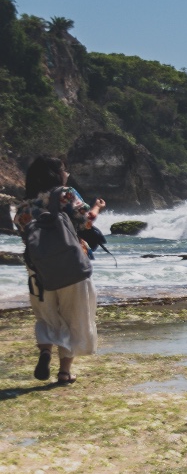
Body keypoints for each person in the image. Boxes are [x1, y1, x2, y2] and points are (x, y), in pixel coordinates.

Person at [14, 154, 104, 384]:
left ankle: (45, 351)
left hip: (39, 268)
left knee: (46, 315)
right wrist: (97, 207)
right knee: (73, 317)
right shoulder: (65, 194)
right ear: (57, 174)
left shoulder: (24, 206)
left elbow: (24, 233)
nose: (67, 173)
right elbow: (85, 220)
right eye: (64, 169)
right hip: (71, 265)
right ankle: (64, 372)